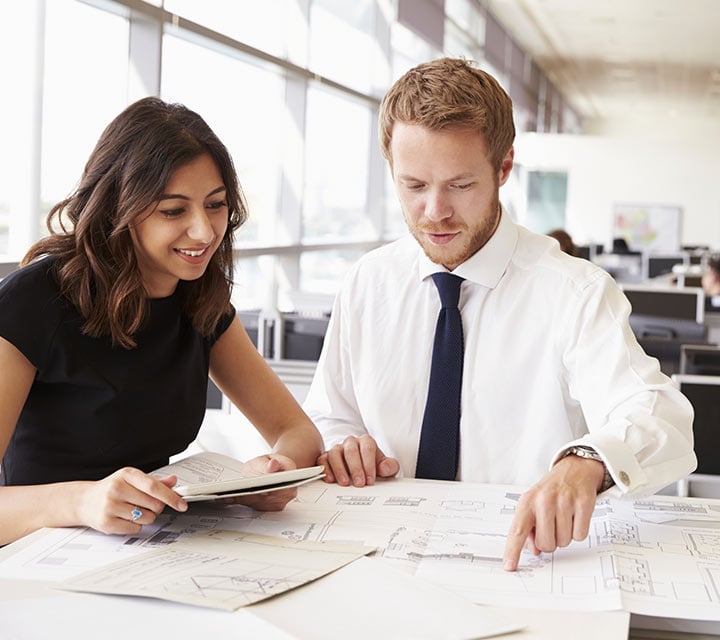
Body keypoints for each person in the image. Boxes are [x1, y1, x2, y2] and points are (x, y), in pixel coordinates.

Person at [302, 58, 696, 572]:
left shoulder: (574, 291)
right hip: (381, 556)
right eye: (414, 185)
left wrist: (588, 462)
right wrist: (342, 444)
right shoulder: (366, 282)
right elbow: (329, 413)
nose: (435, 212)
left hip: (521, 563)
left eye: (460, 185)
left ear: (504, 167)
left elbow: (659, 413)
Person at [0, 97, 323, 546]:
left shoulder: (199, 297)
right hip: (40, 556)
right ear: (119, 208)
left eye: (216, 205)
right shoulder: (32, 301)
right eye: (174, 210)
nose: (205, 232)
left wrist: (272, 474)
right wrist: (82, 502)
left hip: (152, 548)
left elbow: (296, 432)